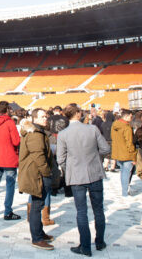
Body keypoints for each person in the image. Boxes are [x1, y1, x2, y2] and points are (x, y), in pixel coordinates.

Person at [57, 104, 110, 257]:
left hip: (76, 176)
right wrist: (96, 158)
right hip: (94, 173)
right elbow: (106, 149)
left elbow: (60, 159)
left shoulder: (63, 134)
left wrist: (70, 169)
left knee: (81, 212)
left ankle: (85, 246)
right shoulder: (92, 129)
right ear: (78, 113)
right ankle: (99, 242)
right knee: (98, 209)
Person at [18, 109, 55, 251]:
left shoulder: (38, 132)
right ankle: (37, 238)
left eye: (46, 116)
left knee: (37, 204)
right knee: (37, 205)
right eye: (42, 117)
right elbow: (38, 155)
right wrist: (47, 172)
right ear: (34, 119)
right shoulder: (35, 134)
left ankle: (39, 233)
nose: (45, 119)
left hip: (36, 172)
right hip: (36, 173)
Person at [111, 109, 137, 196]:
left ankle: (124, 190)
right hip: (127, 154)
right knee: (126, 173)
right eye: (130, 116)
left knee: (123, 172)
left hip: (118, 152)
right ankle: (125, 192)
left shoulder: (115, 125)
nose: (131, 118)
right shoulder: (126, 127)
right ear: (126, 116)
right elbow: (129, 143)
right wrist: (134, 156)